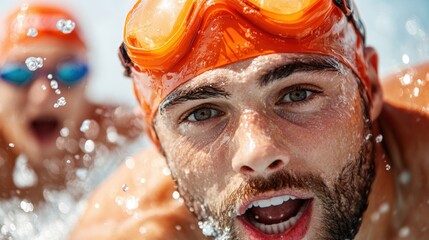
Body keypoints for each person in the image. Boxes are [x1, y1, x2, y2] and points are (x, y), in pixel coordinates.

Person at [71, 0, 429, 239]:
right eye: (203, 113)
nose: (257, 153)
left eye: (297, 94)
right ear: (156, 140)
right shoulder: (129, 230)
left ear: (371, 86)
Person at [0, 3, 141, 204]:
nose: (42, 93)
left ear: (87, 80)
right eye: (19, 73)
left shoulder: (119, 134)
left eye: (68, 72)